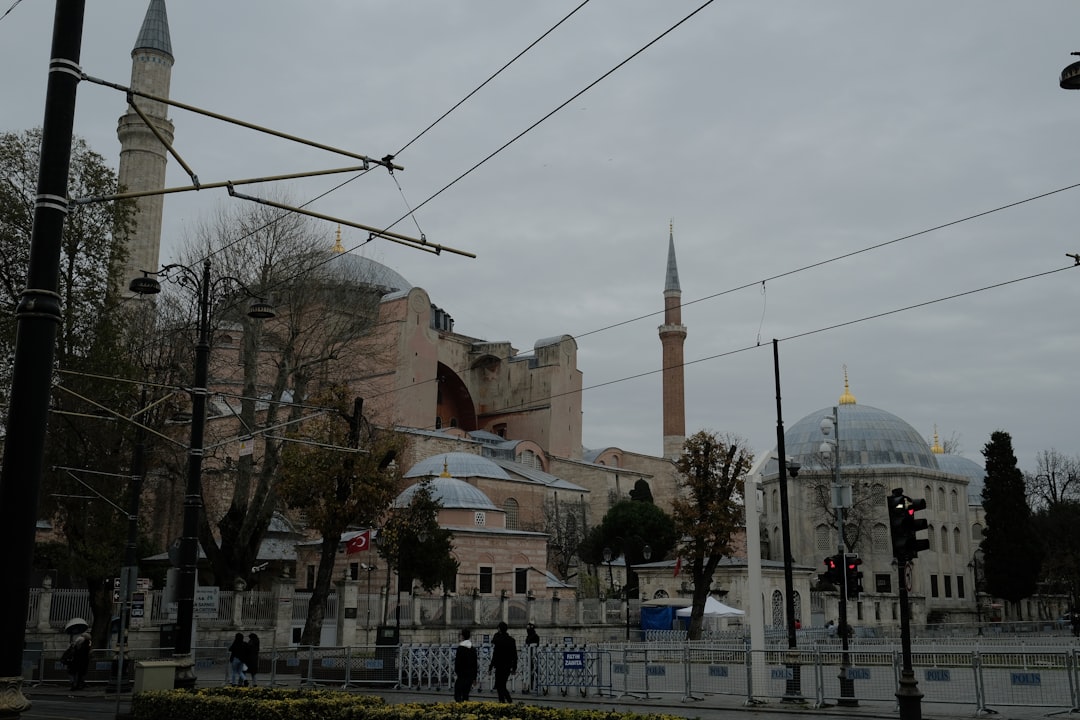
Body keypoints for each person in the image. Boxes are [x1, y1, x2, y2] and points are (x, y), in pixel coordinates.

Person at [489, 621, 517, 703]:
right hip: (507, 666)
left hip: (499, 665)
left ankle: (505, 701)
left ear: (499, 629)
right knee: (502, 685)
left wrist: (490, 666)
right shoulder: (511, 640)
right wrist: (514, 667)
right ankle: (505, 701)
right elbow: (514, 655)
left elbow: (495, 655)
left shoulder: (498, 640)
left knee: (499, 685)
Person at [453, 628, 478, 701]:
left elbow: (457, 662)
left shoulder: (460, 648)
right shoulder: (472, 649)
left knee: (457, 694)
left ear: (462, 636)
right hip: (470, 675)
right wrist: (474, 677)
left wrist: (457, 672)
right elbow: (475, 664)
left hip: (462, 675)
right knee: (466, 695)